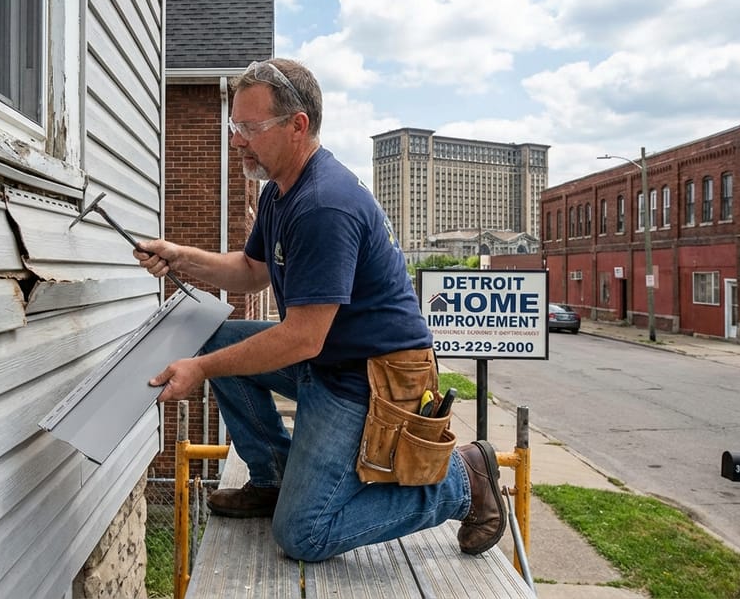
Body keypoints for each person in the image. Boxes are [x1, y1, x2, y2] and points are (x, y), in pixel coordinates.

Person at [134, 58, 506, 563]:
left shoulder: (323, 204)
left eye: (249, 127)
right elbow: (250, 270)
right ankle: (273, 478)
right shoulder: (278, 192)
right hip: (328, 357)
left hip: (372, 379)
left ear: (298, 125)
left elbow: (302, 338)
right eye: (234, 126)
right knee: (217, 340)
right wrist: (182, 256)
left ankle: (463, 481)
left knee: (304, 535)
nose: (236, 140)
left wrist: (199, 371)